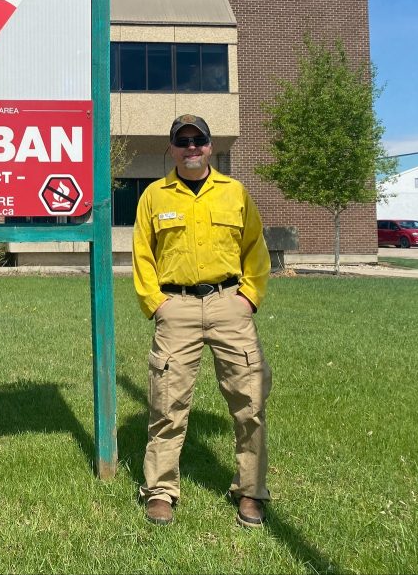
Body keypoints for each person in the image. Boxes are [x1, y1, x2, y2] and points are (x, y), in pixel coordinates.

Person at [132, 114, 272, 528]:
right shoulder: (155, 196)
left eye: (199, 140)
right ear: (172, 149)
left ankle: (250, 492)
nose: (191, 147)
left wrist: (248, 297)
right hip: (176, 309)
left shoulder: (235, 193)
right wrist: (157, 304)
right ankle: (160, 491)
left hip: (231, 304)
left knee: (250, 403)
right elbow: (142, 254)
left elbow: (255, 250)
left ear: (210, 146)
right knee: (166, 404)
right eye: (183, 141)